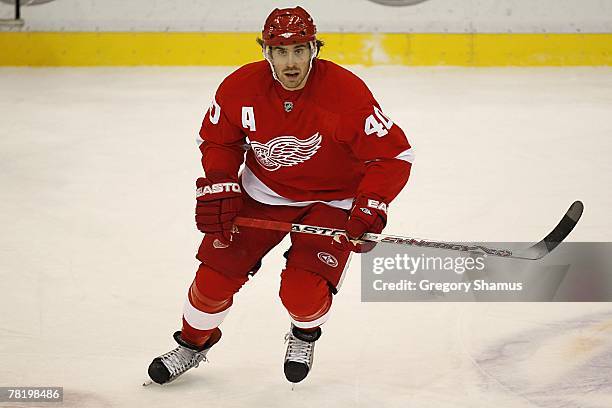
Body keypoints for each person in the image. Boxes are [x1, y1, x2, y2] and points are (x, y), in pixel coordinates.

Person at [147, 6, 414, 385]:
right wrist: (222, 181)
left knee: (302, 295)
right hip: (264, 194)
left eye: (300, 50)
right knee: (213, 280)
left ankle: (304, 335)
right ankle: (191, 346)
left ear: (314, 49)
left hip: (332, 201)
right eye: (281, 51)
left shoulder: (346, 94)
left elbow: (393, 154)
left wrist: (370, 203)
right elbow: (218, 139)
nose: (291, 63)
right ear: (266, 53)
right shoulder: (240, 88)